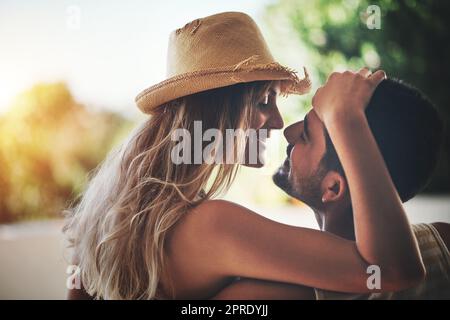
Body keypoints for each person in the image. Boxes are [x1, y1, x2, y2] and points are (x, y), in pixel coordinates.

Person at [65, 12, 424, 300]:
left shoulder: (114, 209)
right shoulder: (212, 225)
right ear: (217, 110)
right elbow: (392, 272)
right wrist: (346, 116)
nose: (279, 122)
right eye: (262, 100)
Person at [214, 78, 449, 300]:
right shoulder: (440, 246)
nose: (288, 133)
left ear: (333, 187)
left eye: (306, 135)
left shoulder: (266, 293)